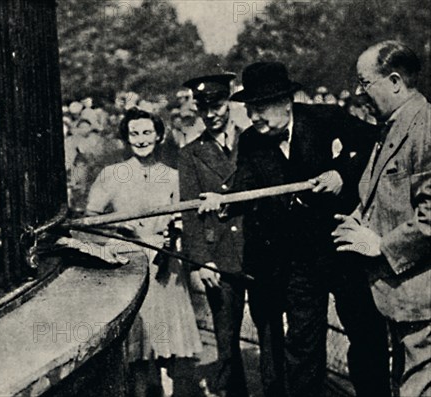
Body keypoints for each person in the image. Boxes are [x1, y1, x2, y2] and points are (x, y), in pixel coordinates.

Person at [202, 62, 391, 397]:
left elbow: (374, 144)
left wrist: (341, 174)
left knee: (366, 333)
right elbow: (246, 185)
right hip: (298, 259)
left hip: (345, 247)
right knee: (303, 344)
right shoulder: (251, 141)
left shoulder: (326, 119)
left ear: (285, 102)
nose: (254, 117)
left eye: (260, 108)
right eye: (249, 109)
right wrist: (224, 200)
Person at [333, 40, 431, 397]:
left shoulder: (425, 128)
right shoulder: (392, 126)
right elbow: (380, 192)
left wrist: (380, 245)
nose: (360, 94)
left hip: (422, 299)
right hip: (400, 298)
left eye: (365, 83)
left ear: (394, 81)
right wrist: (358, 219)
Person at [86, 107, 202, 397]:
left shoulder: (173, 176)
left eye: (147, 132)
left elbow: (185, 222)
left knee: (173, 351)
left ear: (159, 135)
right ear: (126, 138)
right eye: (134, 133)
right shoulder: (112, 175)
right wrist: (122, 235)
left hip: (166, 270)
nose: (141, 139)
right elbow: (90, 221)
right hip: (130, 268)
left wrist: (173, 235)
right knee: (139, 354)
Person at [178, 73, 249, 397]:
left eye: (217, 105)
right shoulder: (191, 153)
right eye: (204, 109)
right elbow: (190, 212)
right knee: (226, 338)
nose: (211, 114)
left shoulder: (253, 141)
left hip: (257, 249)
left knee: (272, 331)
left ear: (230, 101)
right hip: (219, 256)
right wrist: (201, 261)